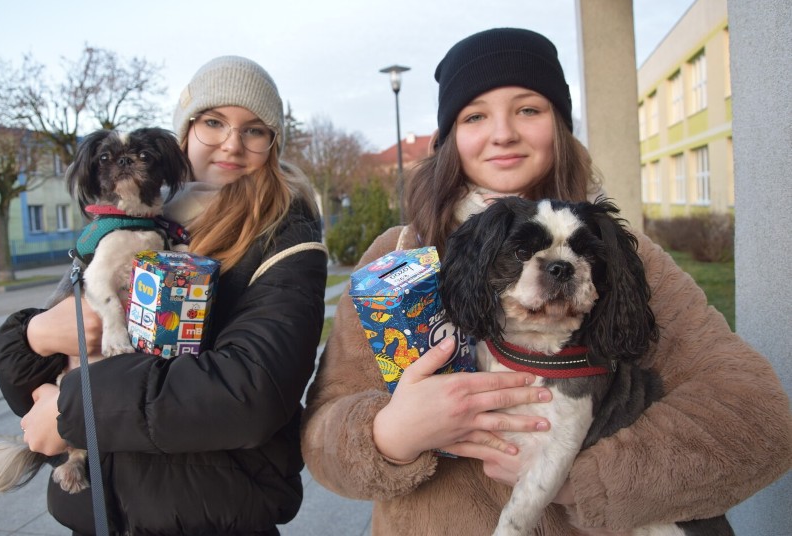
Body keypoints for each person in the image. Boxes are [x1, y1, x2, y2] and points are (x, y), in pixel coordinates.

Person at [301, 28, 792, 535]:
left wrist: (582, 481)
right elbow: (320, 439)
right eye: (474, 116)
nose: (503, 133)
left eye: (528, 109)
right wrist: (389, 434)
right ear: (448, 141)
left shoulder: (620, 256)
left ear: (559, 127)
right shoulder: (397, 257)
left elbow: (757, 418)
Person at [0, 56, 328, 535]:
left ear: (272, 144)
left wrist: (75, 408)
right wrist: (32, 336)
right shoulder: (134, 221)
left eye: (254, 130)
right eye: (214, 122)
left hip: (211, 513)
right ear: (185, 132)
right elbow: (25, 388)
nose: (232, 143)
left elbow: (251, 393)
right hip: (99, 512)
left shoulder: (285, 237)